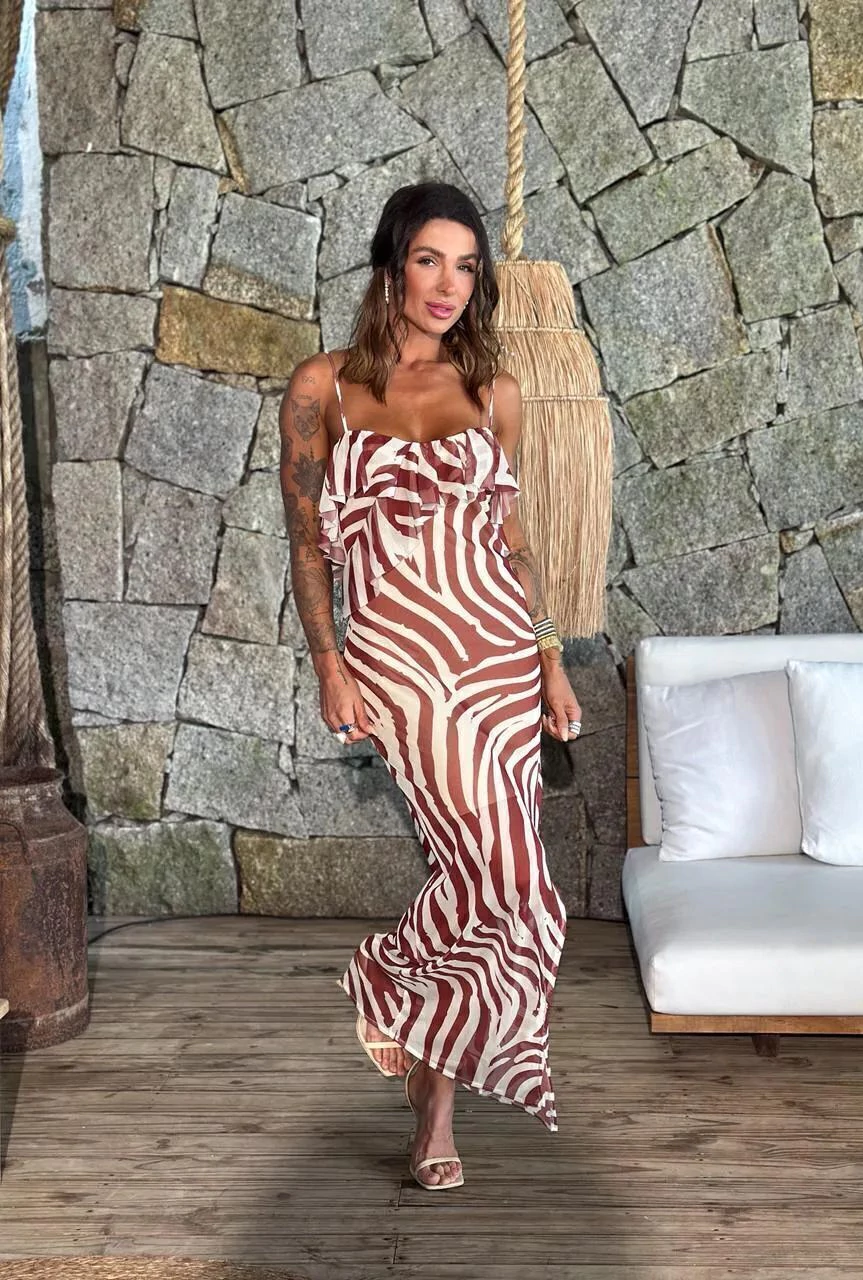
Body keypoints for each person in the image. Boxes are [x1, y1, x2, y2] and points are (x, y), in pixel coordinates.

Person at [279, 181, 581, 1191]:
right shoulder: (323, 386)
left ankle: (433, 1094)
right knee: (503, 880)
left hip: (496, 656)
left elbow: (515, 544)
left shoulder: (495, 391)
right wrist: (330, 664)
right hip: (400, 665)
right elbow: (308, 544)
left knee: (498, 880)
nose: (448, 284)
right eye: (428, 260)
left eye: (466, 265)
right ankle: (394, 990)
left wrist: (549, 658)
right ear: (391, 266)